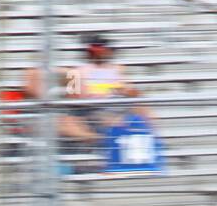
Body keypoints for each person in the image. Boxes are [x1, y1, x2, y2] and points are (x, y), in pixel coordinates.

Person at [25, 33, 154, 148]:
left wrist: (122, 90)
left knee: (138, 106)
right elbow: (74, 96)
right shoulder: (78, 72)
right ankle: (102, 140)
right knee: (67, 121)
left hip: (110, 106)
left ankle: (145, 136)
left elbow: (129, 91)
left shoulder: (116, 69)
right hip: (92, 110)